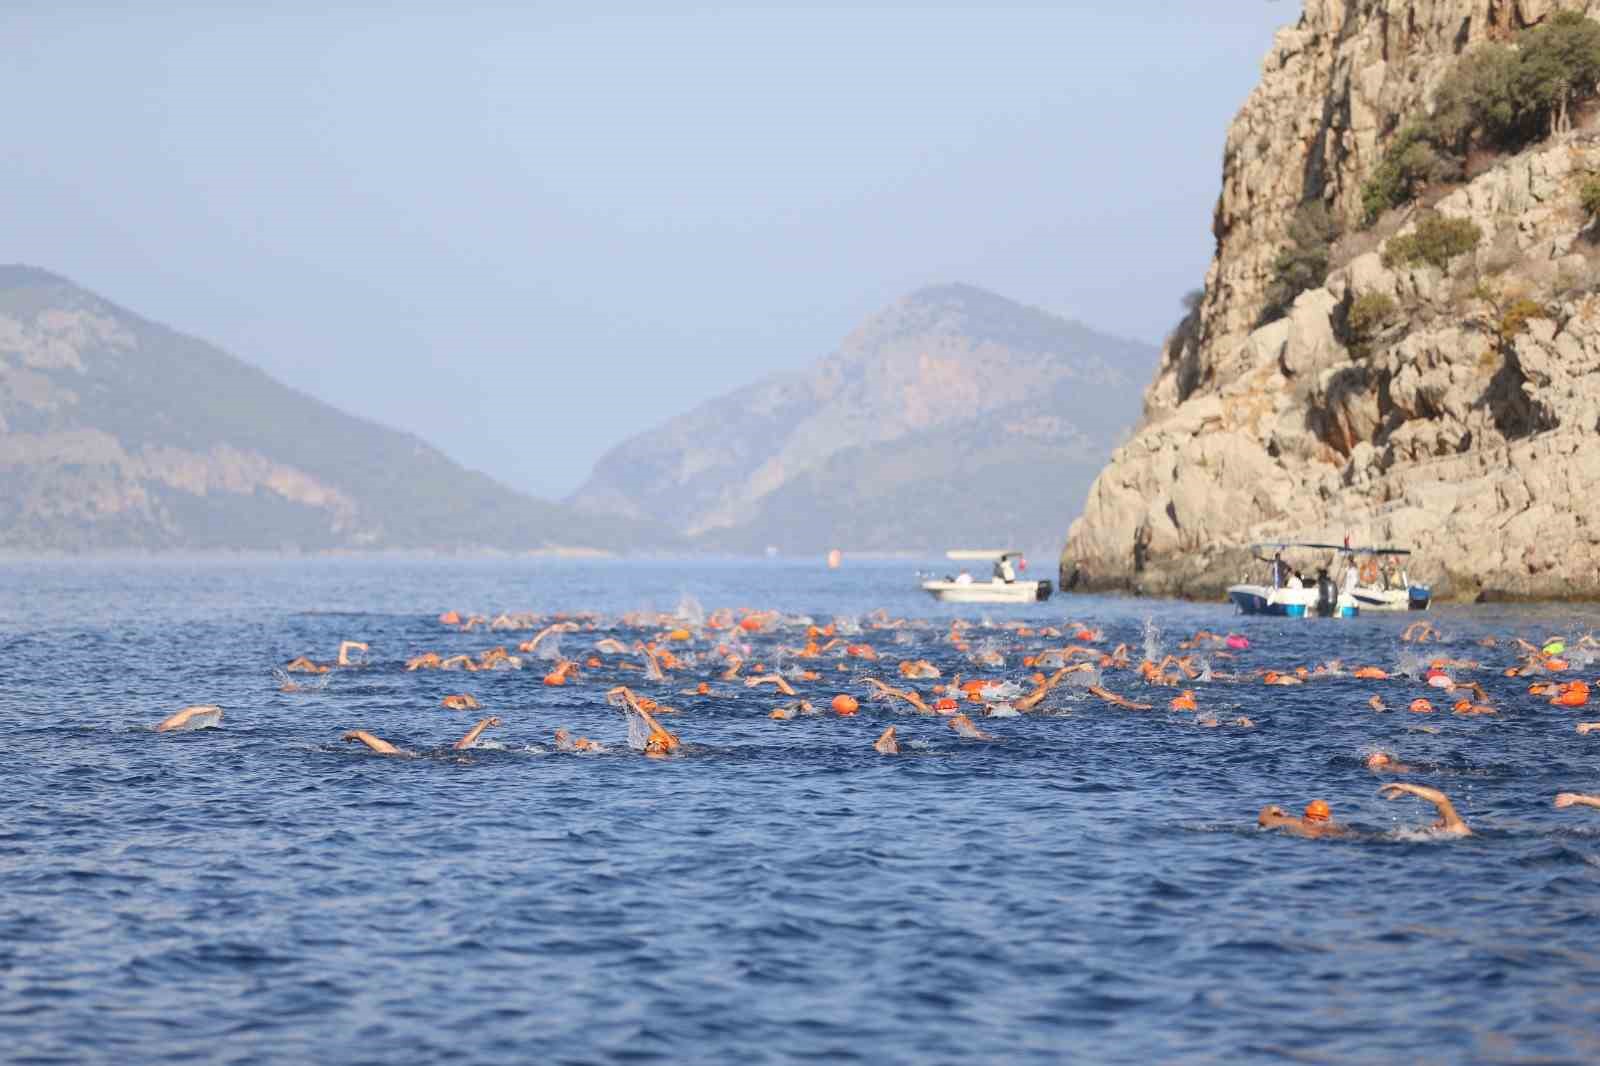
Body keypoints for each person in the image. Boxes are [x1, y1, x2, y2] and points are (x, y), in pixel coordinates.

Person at [1378, 783, 1471, 836]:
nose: (1435, 822)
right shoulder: (1446, 831)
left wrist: (1406, 787)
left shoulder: (1456, 826)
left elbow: (1441, 799)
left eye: (1440, 816)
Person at [1258, 799, 1350, 839]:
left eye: (1320, 819)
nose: (1316, 821)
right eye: (1312, 818)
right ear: (1329, 819)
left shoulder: (1294, 822)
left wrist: (1272, 808)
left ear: (1304, 816)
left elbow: (1263, 818)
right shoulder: (1333, 828)